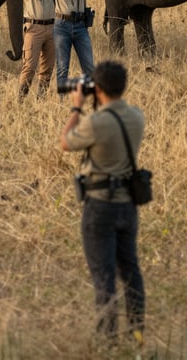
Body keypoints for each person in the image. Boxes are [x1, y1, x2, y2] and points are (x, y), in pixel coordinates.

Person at [60, 60, 145, 343]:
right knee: (130, 271)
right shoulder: (136, 117)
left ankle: (107, 339)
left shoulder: (95, 123)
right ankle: (136, 332)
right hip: (127, 206)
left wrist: (76, 106)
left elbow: (66, 141)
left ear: (97, 88)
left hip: (99, 206)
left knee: (104, 275)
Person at [45, 0, 95, 90]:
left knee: (89, 65)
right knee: (62, 66)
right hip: (61, 26)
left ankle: (90, 96)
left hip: (80, 26)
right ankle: (62, 99)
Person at [17, 0, 57, 99]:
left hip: (52, 28)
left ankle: (41, 100)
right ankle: (21, 100)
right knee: (29, 67)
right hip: (34, 29)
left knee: (47, 68)